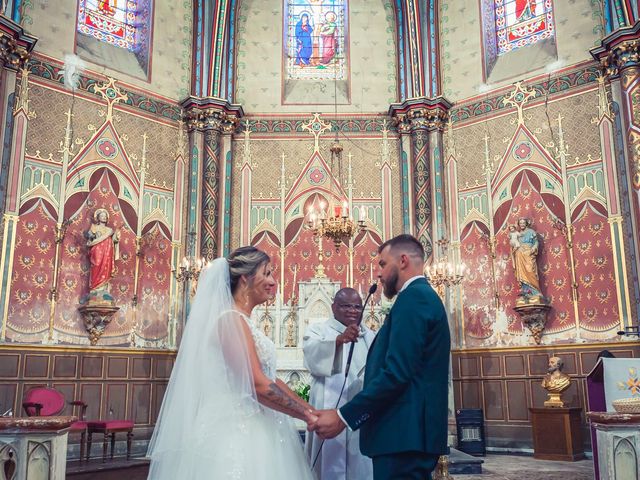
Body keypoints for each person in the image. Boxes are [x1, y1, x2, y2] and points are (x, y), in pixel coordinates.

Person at [147, 247, 316, 479]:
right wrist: (308, 416)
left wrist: (310, 410)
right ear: (245, 278)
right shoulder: (229, 321)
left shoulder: (243, 321)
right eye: (266, 273)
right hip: (235, 433)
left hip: (260, 426)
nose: (273, 281)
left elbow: (269, 378)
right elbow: (257, 385)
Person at [310, 234, 451, 480]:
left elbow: (397, 372)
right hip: (407, 435)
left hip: (404, 436)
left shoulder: (414, 298)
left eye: (383, 264)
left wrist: (344, 416)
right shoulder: (420, 297)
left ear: (403, 260)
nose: (380, 273)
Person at [303, 287, 375, 480]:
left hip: (358, 412)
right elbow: (311, 356)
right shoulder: (318, 330)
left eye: (357, 307)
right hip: (327, 410)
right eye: (346, 306)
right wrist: (338, 341)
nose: (352, 311)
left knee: (359, 464)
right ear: (334, 307)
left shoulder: (370, 336)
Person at [85, 208, 120, 295]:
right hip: (97, 250)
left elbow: (114, 240)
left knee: (106, 269)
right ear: (98, 218)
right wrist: (91, 235)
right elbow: (89, 237)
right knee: (96, 265)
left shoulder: (109, 230)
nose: (104, 217)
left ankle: (103, 290)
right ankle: (94, 288)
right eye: (102, 216)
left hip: (107, 252)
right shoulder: (94, 227)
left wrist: (117, 234)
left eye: (105, 216)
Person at [511, 217, 541, 298]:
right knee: (522, 273)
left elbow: (536, 242)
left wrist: (534, 248)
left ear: (526, 223)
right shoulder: (518, 234)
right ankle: (526, 292)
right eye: (520, 223)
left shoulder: (531, 232)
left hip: (529, 254)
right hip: (520, 255)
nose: (522, 225)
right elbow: (515, 244)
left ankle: (535, 292)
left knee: (531, 270)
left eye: (523, 223)